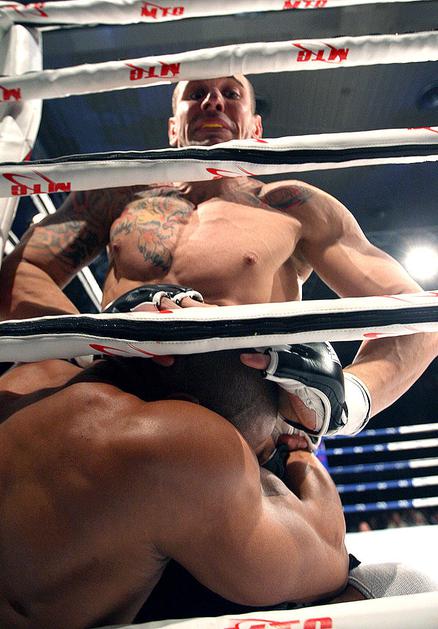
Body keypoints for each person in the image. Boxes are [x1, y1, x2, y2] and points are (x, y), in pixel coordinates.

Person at [0, 74, 436, 440]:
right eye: (196, 93)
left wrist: (346, 399)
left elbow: (418, 319)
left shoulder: (293, 206)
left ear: (256, 127)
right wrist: (88, 341)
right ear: (173, 128)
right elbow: (21, 271)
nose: (213, 101)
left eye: (231, 93)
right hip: (113, 382)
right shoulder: (119, 196)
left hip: (245, 411)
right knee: (25, 381)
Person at [0, 332, 349, 628]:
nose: (258, 465)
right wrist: (301, 452)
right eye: (256, 451)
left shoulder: (33, 375)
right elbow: (330, 558)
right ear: (186, 408)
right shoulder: (177, 443)